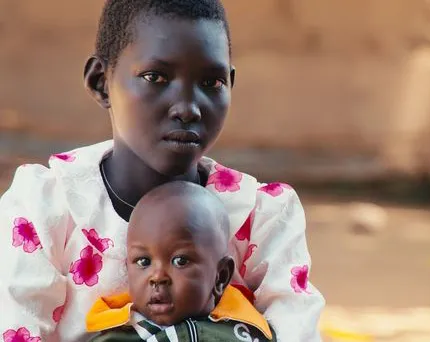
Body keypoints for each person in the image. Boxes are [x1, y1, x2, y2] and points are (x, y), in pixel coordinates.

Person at [0, 1, 325, 341]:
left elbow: (297, 331)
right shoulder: (47, 208)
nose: (187, 107)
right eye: (155, 77)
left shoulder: (260, 218)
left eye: (211, 82)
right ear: (101, 82)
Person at [86, 180, 276, 342]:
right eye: (144, 262)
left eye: (180, 261)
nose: (158, 277)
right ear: (128, 269)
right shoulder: (116, 336)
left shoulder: (248, 333)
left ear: (221, 276)